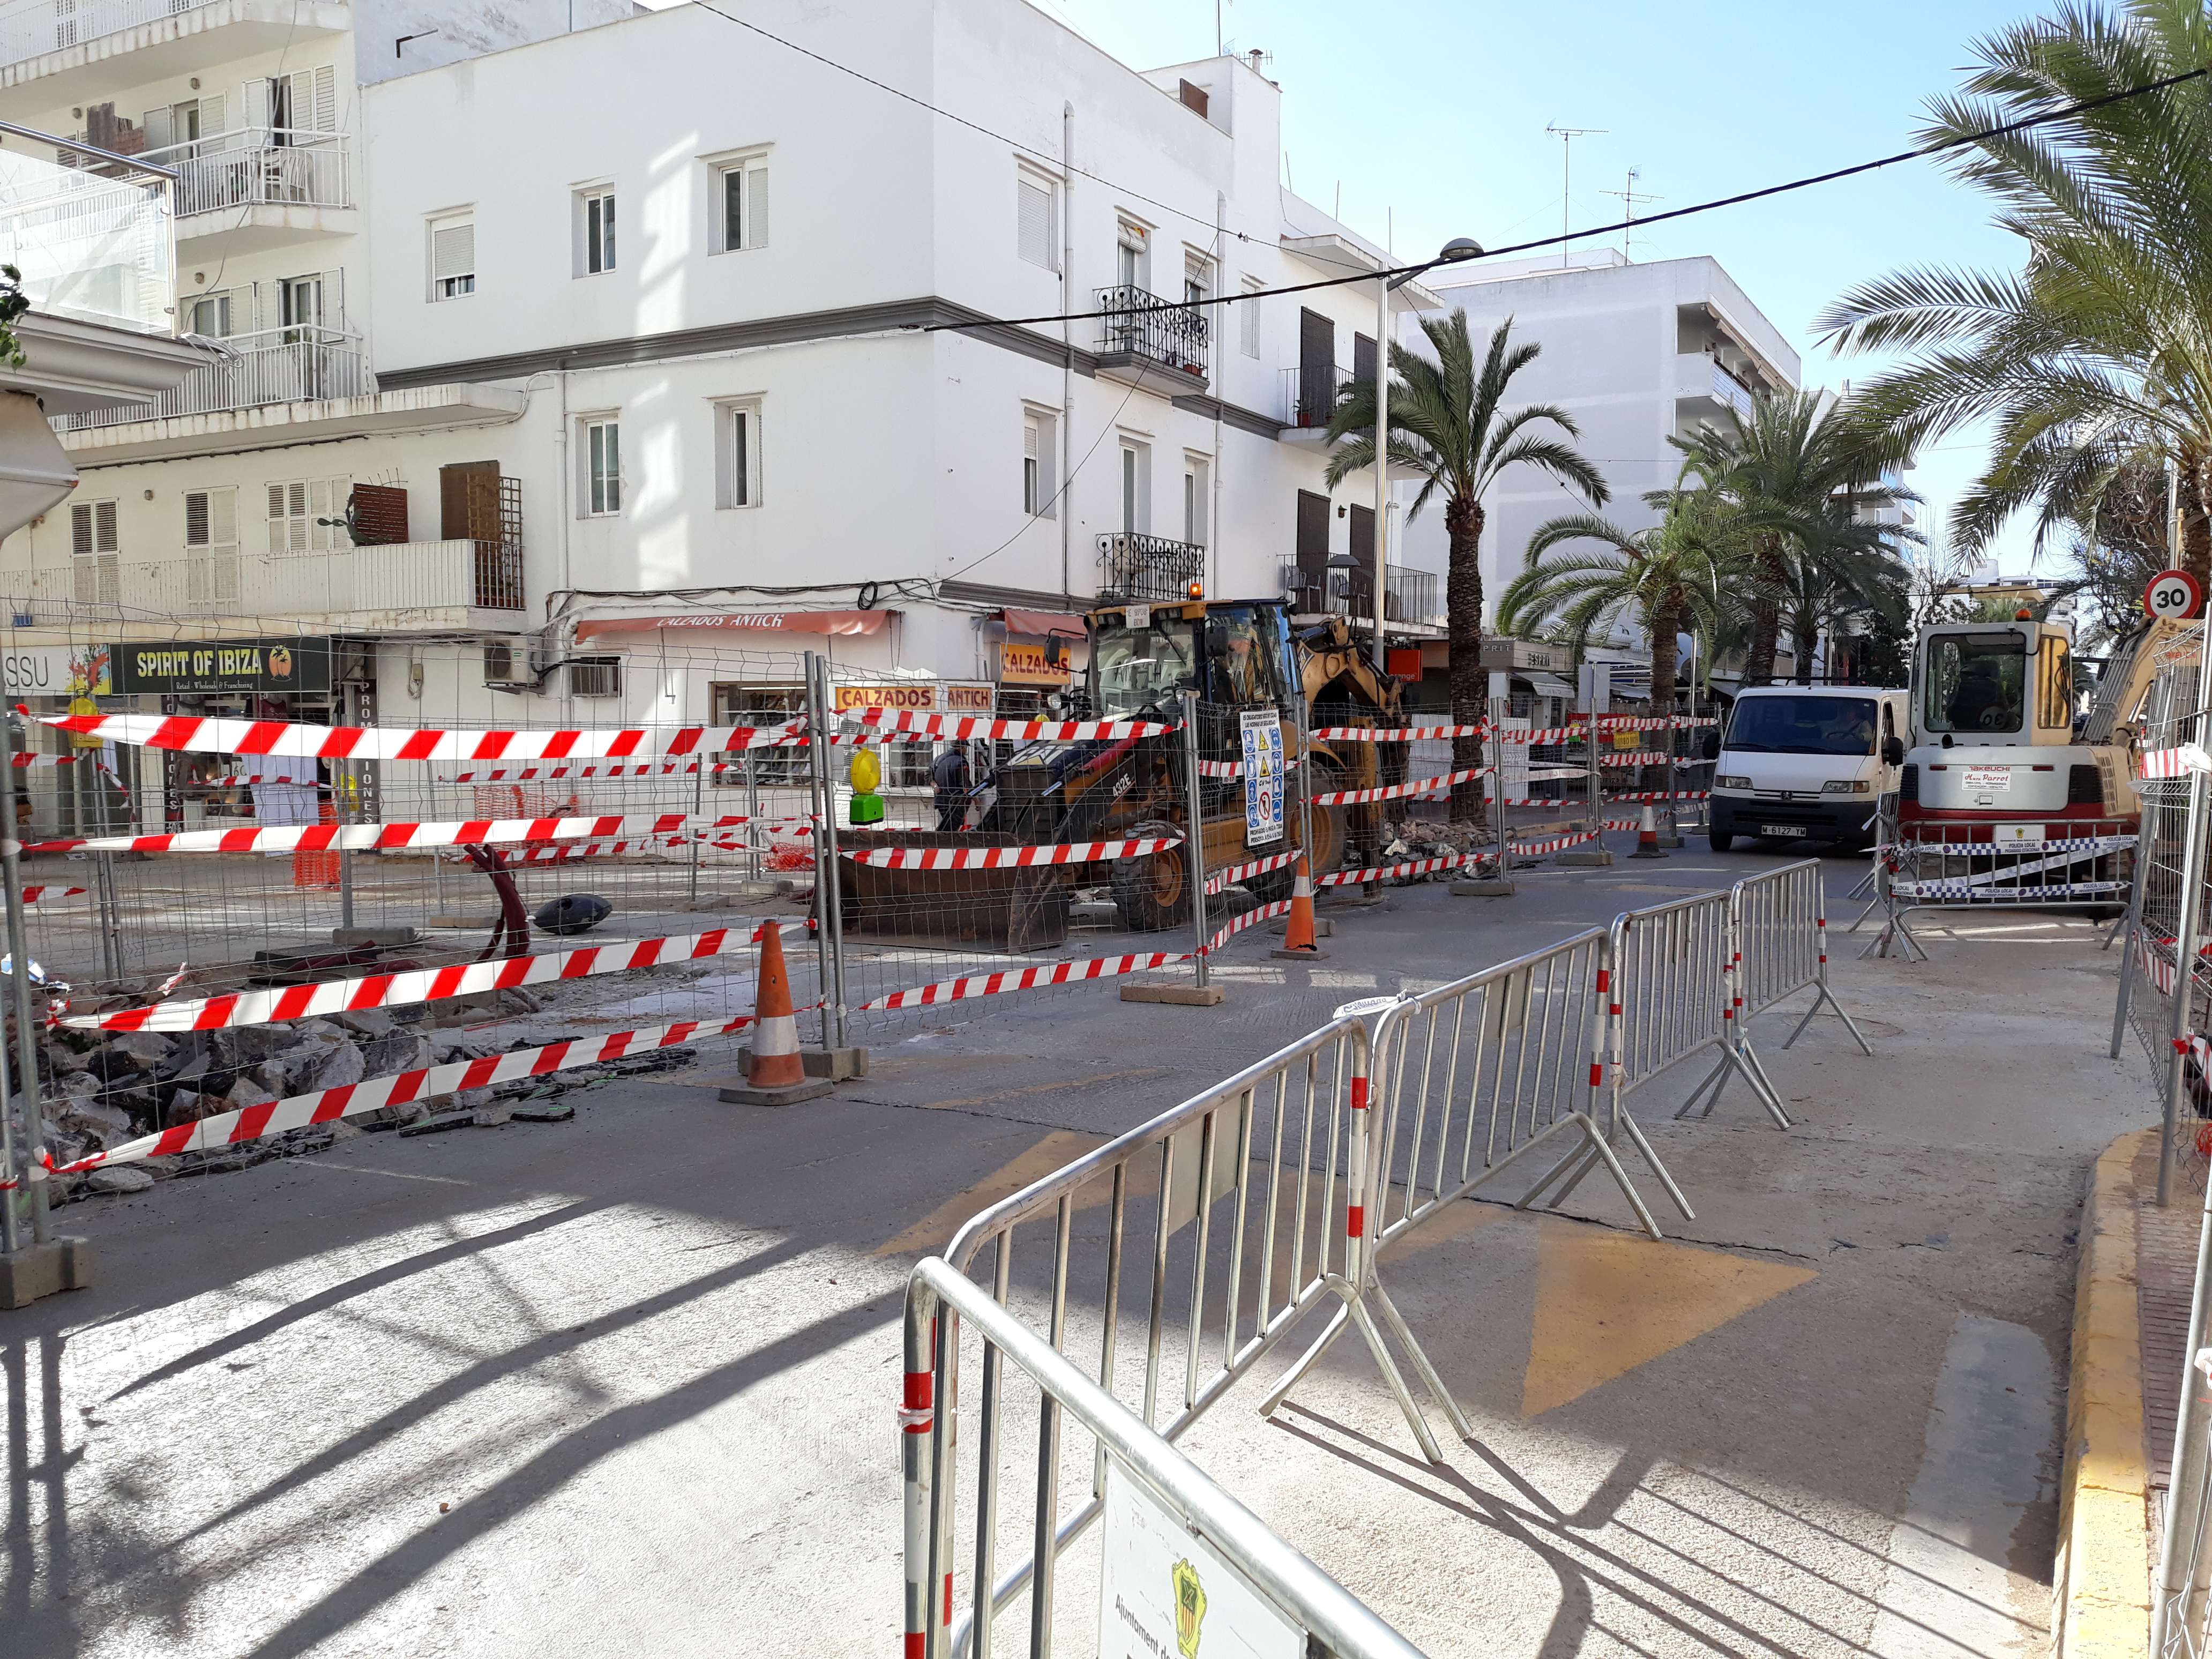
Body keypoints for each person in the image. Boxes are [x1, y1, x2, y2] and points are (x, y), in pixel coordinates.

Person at [932, 743, 972, 832]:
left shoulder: (939, 759)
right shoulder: (960, 761)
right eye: (966, 748)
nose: (966, 750)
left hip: (941, 800)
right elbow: (965, 783)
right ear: (962, 748)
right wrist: (975, 798)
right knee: (954, 828)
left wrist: (935, 786)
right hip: (956, 801)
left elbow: (929, 775)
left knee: (948, 827)